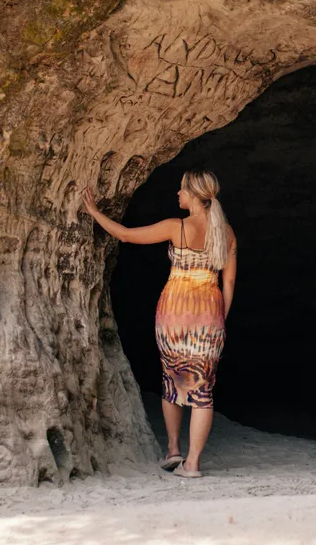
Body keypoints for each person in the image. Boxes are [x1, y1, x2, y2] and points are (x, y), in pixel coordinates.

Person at [81, 170, 237, 478]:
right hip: (209, 315)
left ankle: (173, 449)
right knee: (203, 390)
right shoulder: (226, 232)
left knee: (172, 380)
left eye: (182, 189)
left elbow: (126, 235)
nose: (178, 194)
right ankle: (192, 464)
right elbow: (229, 283)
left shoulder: (176, 227)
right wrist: (220, 318)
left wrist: (95, 212)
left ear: (194, 195)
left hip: (174, 313)